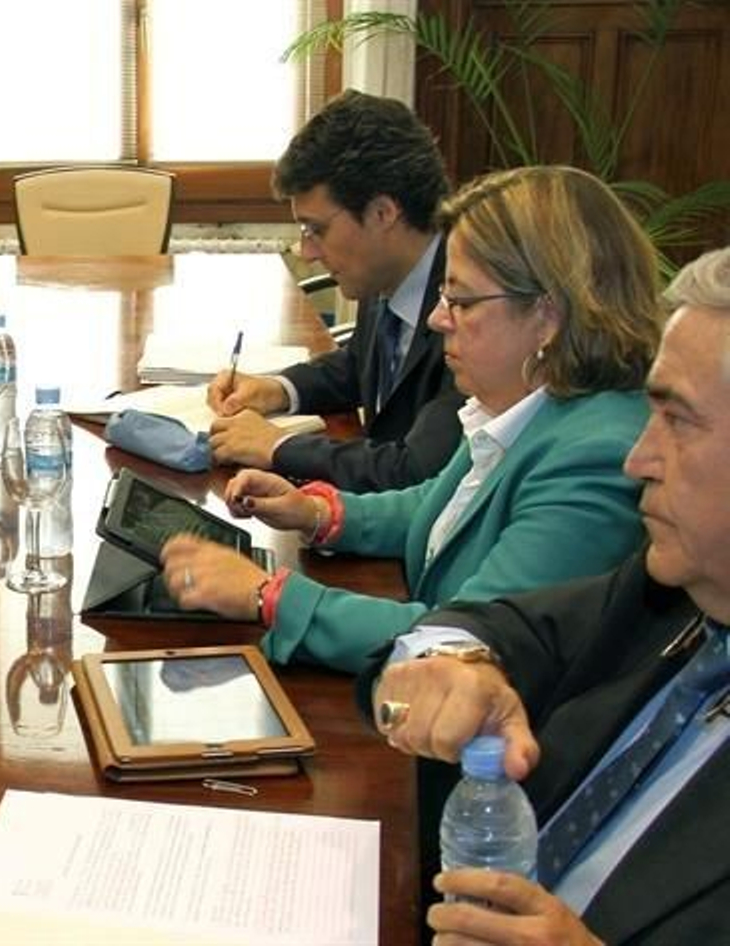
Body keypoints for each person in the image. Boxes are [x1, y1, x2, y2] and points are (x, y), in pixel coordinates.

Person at [366, 245, 730, 944]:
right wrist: (449, 667)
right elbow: (492, 628)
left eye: (677, 420)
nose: (638, 459)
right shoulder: (672, 596)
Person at [161, 166, 661, 673]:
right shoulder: (528, 400)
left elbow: (462, 641)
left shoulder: (595, 459)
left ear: (547, 318)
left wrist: (265, 594)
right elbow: (444, 508)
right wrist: (317, 514)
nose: (437, 318)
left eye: (462, 302)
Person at [208, 89, 463, 491]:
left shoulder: (470, 304)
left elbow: (417, 468)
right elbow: (361, 363)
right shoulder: (385, 271)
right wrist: (278, 389)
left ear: (383, 213)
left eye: (317, 230)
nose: (307, 252)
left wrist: (279, 446)